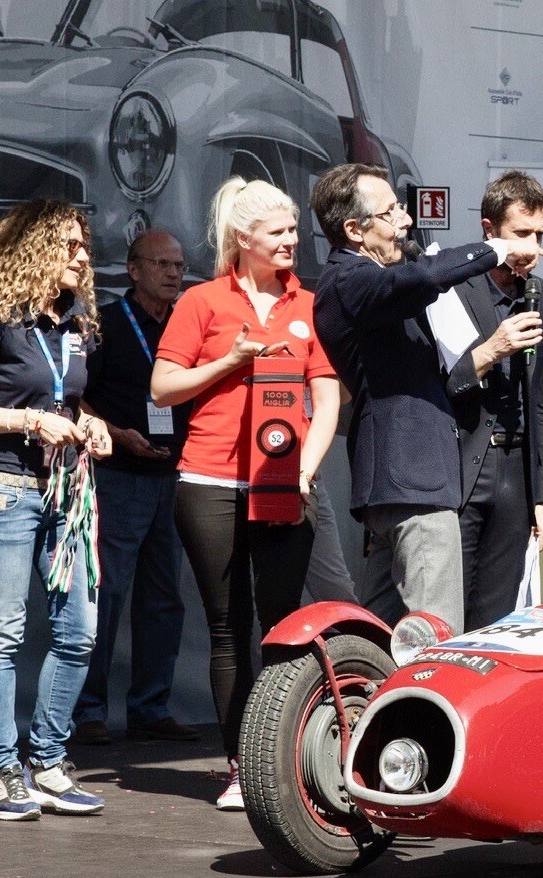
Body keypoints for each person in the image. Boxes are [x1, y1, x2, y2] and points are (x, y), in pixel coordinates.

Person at [152, 178, 341, 811]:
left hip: (284, 485)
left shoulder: (308, 303)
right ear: (244, 238)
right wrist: (231, 360)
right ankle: (241, 766)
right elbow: (163, 388)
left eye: (294, 230)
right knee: (228, 629)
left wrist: (305, 469)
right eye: (278, 232)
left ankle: (279, 760)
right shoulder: (202, 300)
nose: (291, 241)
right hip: (209, 481)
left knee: (282, 626)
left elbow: (327, 399)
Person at [311, 164, 530, 634]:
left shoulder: (374, 277)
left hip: (406, 479)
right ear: (354, 230)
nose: (406, 220)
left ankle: (363, 682)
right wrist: (498, 248)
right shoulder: (349, 279)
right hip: (410, 479)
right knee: (435, 634)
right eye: (390, 213)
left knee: (381, 633)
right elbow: (423, 278)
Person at [0, 199, 113, 820]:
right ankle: (1, 769)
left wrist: (91, 424)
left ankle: (47, 761)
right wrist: (28, 421)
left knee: (79, 632)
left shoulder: (74, 324)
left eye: (84, 245)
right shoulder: (2, 318)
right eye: (69, 245)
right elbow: (31, 406)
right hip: (8, 486)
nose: (82, 255)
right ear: (35, 247)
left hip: (66, 489)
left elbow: (65, 400)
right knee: (4, 635)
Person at [72, 229, 196, 746]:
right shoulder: (104, 325)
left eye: (180, 265)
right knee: (106, 594)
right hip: (118, 476)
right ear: (134, 269)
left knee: (164, 598)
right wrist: (117, 433)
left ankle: (150, 707)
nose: (174, 274)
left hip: (174, 477)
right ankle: (88, 711)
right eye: (162, 264)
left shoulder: (188, 323)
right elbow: (75, 399)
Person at [443, 171, 543, 631]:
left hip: (516, 475)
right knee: (445, 611)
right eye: (521, 233)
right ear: (489, 230)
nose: (532, 248)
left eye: (540, 235)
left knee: (495, 619)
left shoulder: (542, 297)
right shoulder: (452, 289)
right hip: (460, 467)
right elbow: (439, 384)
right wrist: (492, 350)